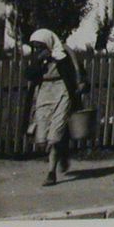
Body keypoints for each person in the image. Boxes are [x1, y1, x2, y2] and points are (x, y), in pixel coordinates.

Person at [23, 28, 87, 186]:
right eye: (35, 47)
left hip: (62, 92)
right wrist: (40, 62)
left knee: (56, 133)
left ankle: (51, 173)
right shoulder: (38, 58)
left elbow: (78, 70)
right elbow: (29, 74)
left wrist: (81, 84)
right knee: (42, 137)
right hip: (44, 93)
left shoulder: (64, 54)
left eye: (40, 47)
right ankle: (62, 153)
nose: (37, 50)